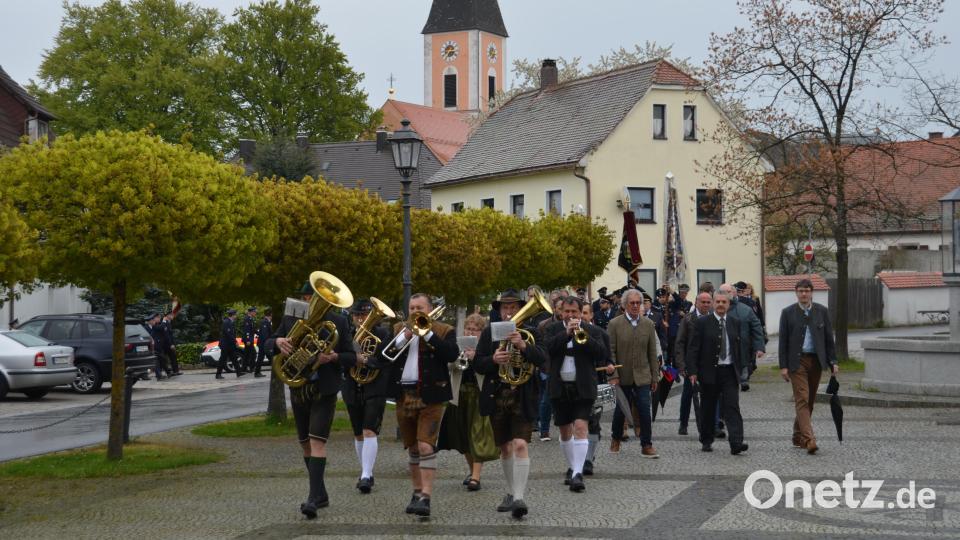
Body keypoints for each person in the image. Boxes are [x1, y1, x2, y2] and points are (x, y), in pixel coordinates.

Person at [268, 280, 355, 518]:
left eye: (313, 298)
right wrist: (278, 342)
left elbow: (351, 356)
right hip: (299, 388)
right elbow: (269, 343)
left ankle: (312, 499)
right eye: (308, 298)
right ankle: (321, 493)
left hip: (324, 389)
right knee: (305, 442)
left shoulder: (337, 321)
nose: (310, 302)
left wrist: (335, 356)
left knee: (318, 441)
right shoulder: (290, 319)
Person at [382, 293, 458, 518]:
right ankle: (416, 493)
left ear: (429, 309)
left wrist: (428, 334)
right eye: (412, 307)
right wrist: (403, 337)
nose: (415, 311)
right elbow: (384, 356)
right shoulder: (398, 329)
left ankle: (426, 495)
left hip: (431, 395)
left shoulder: (444, 329)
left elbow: (451, 354)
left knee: (425, 445)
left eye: (420, 308)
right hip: (404, 394)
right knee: (413, 447)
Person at [474, 288, 548, 519]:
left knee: (520, 445)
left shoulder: (531, 332)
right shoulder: (490, 333)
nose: (509, 312)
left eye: (514, 307)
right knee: (505, 447)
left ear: (520, 309)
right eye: (505, 308)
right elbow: (478, 364)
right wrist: (493, 359)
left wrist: (524, 346)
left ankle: (518, 497)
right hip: (498, 394)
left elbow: (543, 359)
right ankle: (510, 491)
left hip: (523, 395)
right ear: (500, 310)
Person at [543, 297, 614, 492]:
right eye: (567, 312)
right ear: (561, 312)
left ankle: (577, 473)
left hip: (583, 386)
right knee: (565, 431)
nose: (571, 315)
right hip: (559, 386)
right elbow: (547, 349)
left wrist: (583, 336)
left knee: (581, 427)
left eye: (575, 312)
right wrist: (566, 334)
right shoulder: (553, 329)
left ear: (581, 312)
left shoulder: (593, 331)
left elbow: (601, 353)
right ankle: (572, 466)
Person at [437, 313, 498, 492]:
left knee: (477, 434)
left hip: (479, 393)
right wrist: (457, 359)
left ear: (481, 332)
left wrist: (475, 357)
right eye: (468, 328)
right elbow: (448, 366)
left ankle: (476, 478)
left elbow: (489, 368)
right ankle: (472, 472)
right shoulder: (457, 345)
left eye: (475, 329)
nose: (471, 332)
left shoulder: (485, 347)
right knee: (462, 436)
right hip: (459, 395)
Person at [778, 278, 838, 455]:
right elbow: (783, 341)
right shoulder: (788, 313)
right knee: (802, 398)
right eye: (800, 291)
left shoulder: (822, 311)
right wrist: (783, 366)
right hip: (797, 362)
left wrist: (833, 361)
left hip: (817, 361)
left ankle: (797, 435)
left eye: (807, 290)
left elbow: (828, 338)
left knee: (810, 401)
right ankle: (809, 439)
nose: (804, 294)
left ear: (811, 292)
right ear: (796, 293)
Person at [687, 292, 748, 455]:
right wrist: (692, 370)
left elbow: (739, 347)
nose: (721, 304)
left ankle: (736, 442)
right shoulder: (702, 323)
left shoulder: (735, 322)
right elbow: (693, 348)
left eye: (724, 302)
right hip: (709, 372)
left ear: (729, 304)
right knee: (708, 407)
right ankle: (706, 439)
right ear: (713, 303)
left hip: (729, 371)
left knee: (732, 406)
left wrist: (742, 368)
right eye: (718, 301)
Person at [341, 299, 390, 494]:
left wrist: (367, 359)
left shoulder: (383, 334)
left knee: (370, 430)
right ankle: (365, 472)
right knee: (358, 432)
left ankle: (366, 476)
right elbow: (341, 359)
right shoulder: (347, 335)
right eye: (357, 315)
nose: (360, 319)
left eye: (364, 315)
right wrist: (353, 358)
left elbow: (386, 359)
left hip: (375, 386)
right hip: (352, 386)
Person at [606, 289, 659, 457]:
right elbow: (610, 352)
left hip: (643, 375)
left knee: (644, 410)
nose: (636, 306)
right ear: (625, 305)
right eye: (632, 303)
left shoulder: (648, 324)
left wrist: (655, 376)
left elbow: (652, 352)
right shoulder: (614, 324)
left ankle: (646, 444)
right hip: (622, 376)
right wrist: (613, 375)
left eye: (638, 303)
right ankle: (616, 438)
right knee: (621, 411)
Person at [674, 292, 712, 435]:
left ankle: (711, 424)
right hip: (691, 364)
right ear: (696, 302)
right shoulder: (688, 319)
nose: (706, 305)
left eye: (708, 302)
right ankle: (683, 423)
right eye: (703, 302)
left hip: (709, 364)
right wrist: (681, 365)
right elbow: (680, 343)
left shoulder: (713, 318)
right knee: (688, 394)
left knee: (710, 395)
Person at [579, 302, 610, 475]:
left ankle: (589, 459)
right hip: (574, 385)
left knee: (593, 422)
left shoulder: (599, 333)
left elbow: (608, 356)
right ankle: (578, 459)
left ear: (591, 315)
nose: (582, 316)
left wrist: (610, 364)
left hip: (595, 382)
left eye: (585, 313)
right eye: (580, 312)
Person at [718, 283, 765, 392]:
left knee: (744, 363)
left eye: (728, 292)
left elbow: (756, 327)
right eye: (722, 292)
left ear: (733, 292)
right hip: (723, 348)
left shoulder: (746, 309)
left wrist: (759, 347)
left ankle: (743, 380)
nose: (725, 294)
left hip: (743, 345)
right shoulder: (714, 310)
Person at [216, 309, 241, 380]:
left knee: (234, 358)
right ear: (233, 315)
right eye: (235, 314)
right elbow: (229, 334)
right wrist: (235, 341)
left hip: (230, 344)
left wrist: (234, 341)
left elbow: (232, 334)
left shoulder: (231, 322)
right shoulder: (226, 322)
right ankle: (218, 374)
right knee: (222, 359)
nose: (236, 316)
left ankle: (239, 372)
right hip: (225, 345)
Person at [146, 313, 168, 380]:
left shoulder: (157, 324)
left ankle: (160, 374)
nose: (159, 319)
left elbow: (163, 328)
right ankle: (159, 375)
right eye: (158, 318)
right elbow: (161, 327)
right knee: (157, 361)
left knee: (161, 360)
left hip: (158, 345)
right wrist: (164, 320)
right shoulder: (155, 325)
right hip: (155, 346)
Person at [160, 312, 181, 376]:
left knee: (173, 357)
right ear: (168, 316)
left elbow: (170, 335)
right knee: (164, 359)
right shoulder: (164, 323)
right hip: (166, 345)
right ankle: (165, 372)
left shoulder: (168, 323)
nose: (173, 316)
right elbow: (166, 335)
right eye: (171, 315)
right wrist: (171, 344)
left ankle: (175, 371)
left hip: (169, 344)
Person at [254, 308, 272, 377]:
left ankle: (257, 372)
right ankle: (257, 372)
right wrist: (268, 343)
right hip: (263, 344)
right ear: (270, 314)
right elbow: (265, 335)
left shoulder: (265, 321)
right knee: (262, 358)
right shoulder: (265, 322)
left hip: (263, 343)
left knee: (268, 357)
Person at [241, 306, 257, 375]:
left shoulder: (250, 319)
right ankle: (251, 367)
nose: (255, 313)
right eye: (254, 312)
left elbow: (253, 330)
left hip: (250, 339)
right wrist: (248, 340)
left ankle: (244, 368)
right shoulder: (247, 319)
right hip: (248, 340)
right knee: (253, 353)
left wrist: (259, 333)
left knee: (247, 354)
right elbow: (247, 330)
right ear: (251, 312)